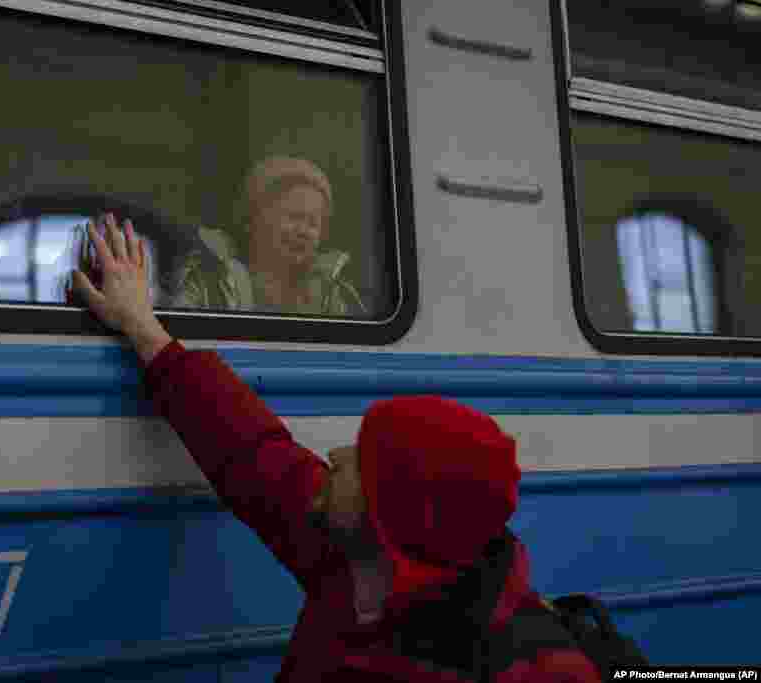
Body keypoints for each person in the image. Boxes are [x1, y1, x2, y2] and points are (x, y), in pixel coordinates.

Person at [71, 214, 600, 682]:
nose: (334, 458)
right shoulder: (358, 564)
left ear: (389, 514)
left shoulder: (515, 665)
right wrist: (143, 326)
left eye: (361, 461)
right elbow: (253, 452)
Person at [172, 156, 367, 316]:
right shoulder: (208, 283)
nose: (303, 231)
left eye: (313, 223)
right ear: (253, 219)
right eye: (294, 217)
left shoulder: (333, 295)